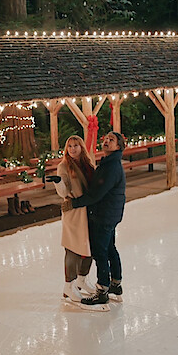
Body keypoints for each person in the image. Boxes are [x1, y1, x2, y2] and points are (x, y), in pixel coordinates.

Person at [62, 131, 126, 309]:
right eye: (105, 139)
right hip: (110, 213)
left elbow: (96, 194)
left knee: (100, 253)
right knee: (111, 249)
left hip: (104, 215)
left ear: (118, 146)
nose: (106, 141)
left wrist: (74, 203)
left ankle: (102, 291)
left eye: (111, 140)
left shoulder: (111, 166)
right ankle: (116, 285)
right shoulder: (109, 162)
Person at [50, 135, 99, 303]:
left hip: (89, 210)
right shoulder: (64, 166)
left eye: (76, 145)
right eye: (69, 146)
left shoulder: (87, 164)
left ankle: (82, 279)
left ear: (81, 147)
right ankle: (68, 285)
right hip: (74, 212)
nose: (72, 149)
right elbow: (64, 191)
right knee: (73, 248)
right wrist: (58, 182)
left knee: (90, 246)